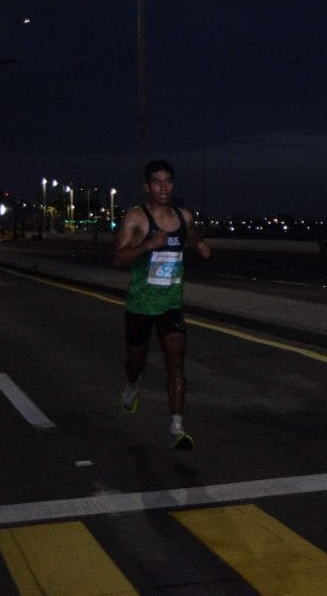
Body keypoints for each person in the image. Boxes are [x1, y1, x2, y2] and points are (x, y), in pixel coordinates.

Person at [113, 159, 212, 449]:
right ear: (147, 187)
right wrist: (147, 245)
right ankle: (133, 385)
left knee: (176, 364)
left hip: (171, 303)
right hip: (141, 305)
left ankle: (176, 427)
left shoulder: (184, 216)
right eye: (157, 182)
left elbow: (192, 236)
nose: (163, 187)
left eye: (168, 181)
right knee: (136, 362)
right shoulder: (136, 218)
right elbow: (117, 259)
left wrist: (201, 246)